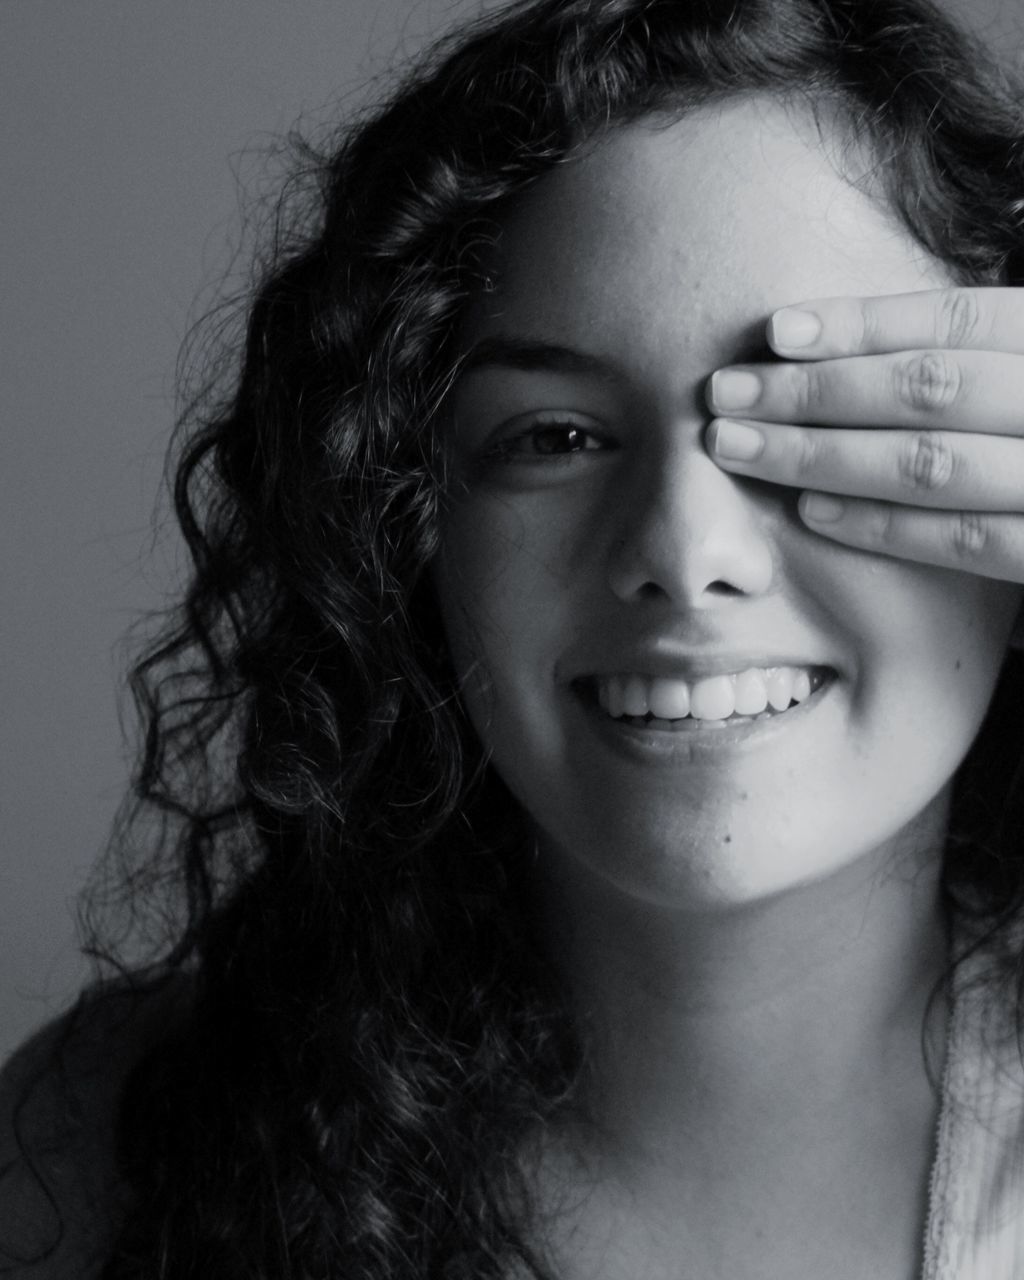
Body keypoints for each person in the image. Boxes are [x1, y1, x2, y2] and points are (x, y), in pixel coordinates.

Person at [4, 0, 1024, 1275]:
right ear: (404, 527)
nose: (683, 550)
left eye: (821, 425)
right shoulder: (94, 1154)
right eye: (555, 436)